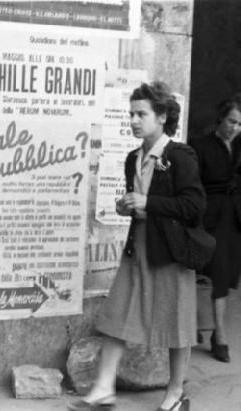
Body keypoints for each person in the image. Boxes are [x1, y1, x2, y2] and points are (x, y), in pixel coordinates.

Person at [68, 82, 205, 411]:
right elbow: (144, 204)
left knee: (176, 324)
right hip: (139, 247)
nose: (133, 120)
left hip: (170, 252)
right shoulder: (134, 158)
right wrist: (126, 206)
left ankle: (175, 394)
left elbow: (194, 205)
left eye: (141, 114)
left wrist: (149, 202)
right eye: (131, 113)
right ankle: (102, 389)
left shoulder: (178, 156)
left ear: (161, 117)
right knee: (117, 316)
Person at [189, 93, 241, 363]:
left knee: (229, 273)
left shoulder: (240, 147)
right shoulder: (201, 146)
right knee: (215, 272)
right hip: (210, 217)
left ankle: (209, 331)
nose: (235, 128)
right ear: (220, 119)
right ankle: (219, 334)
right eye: (232, 121)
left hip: (235, 218)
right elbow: (192, 184)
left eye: (240, 124)